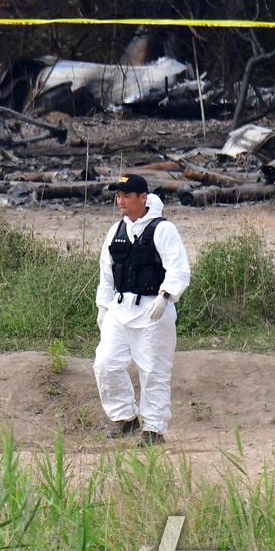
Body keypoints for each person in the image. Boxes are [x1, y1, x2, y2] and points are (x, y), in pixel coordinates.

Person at [94, 174, 191, 447]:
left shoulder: (163, 230)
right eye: (118, 196)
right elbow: (106, 273)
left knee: (153, 370)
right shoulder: (116, 231)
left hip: (153, 310)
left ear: (142, 198)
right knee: (105, 362)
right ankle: (125, 417)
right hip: (120, 307)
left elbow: (178, 268)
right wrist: (103, 306)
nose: (120, 201)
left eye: (126, 196)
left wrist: (165, 296)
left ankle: (154, 429)